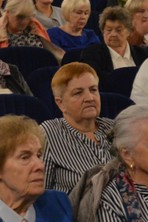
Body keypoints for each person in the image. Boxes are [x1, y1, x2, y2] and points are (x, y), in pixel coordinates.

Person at [41, 63, 115, 193]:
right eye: (78, 93)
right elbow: (40, 195)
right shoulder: (49, 133)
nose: (89, 98)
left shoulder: (114, 128)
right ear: (60, 103)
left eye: (93, 90)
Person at [81, 6, 148, 74]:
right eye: (109, 30)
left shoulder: (142, 54)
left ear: (129, 31)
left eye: (118, 30)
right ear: (103, 31)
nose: (113, 34)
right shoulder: (92, 55)